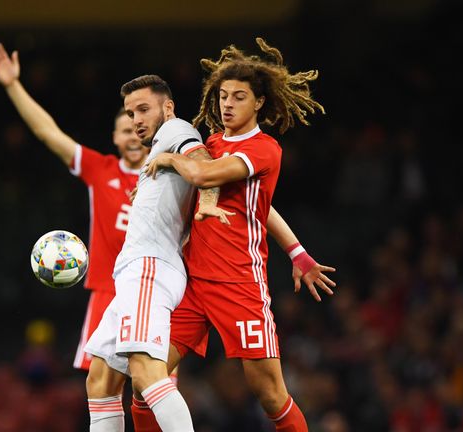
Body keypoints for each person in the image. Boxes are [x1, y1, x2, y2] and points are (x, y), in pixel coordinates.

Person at [143, 37, 333, 431]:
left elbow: (204, 175)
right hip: (192, 284)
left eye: (239, 97)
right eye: (223, 96)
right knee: (146, 378)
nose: (227, 104)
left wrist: (167, 157)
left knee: (269, 394)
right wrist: (297, 251)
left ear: (259, 102)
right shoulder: (209, 142)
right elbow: (261, 207)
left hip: (239, 283)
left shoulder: (265, 149)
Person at [83, 74, 233, 432]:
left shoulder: (176, 129)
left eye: (143, 109)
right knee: (100, 379)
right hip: (134, 273)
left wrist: (208, 201)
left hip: (151, 267)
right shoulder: (158, 152)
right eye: (131, 112)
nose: (136, 120)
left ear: (167, 108)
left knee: (146, 370)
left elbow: (203, 162)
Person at [0, 43, 149, 371]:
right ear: (115, 138)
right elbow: (47, 132)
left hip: (154, 291)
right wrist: (13, 85)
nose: (132, 136)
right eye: (124, 130)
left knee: (156, 387)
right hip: (107, 289)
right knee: (101, 387)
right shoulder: (100, 169)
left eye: (138, 129)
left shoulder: (170, 175)